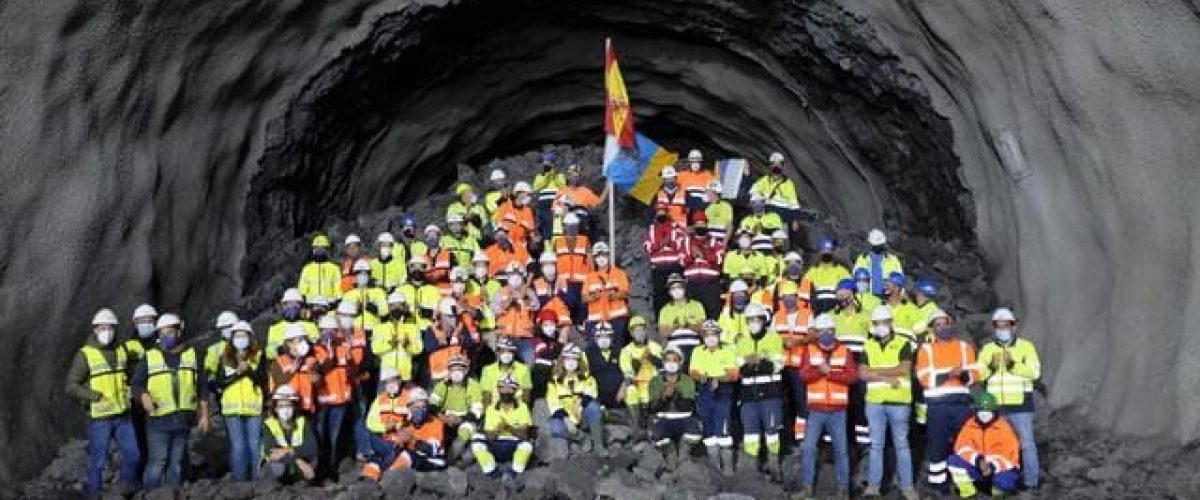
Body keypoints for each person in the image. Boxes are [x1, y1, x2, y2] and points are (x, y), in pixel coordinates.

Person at [66, 308, 141, 498]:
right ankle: (94, 494)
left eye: (109, 327)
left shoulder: (121, 351)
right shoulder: (85, 355)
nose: (106, 331)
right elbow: (71, 386)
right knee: (98, 462)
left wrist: (130, 389)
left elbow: (129, 372)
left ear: (115, 329)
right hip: (100, 418)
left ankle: (121, 489)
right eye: (102, 328)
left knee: (134, 455)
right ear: (95, 330)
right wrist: (94, 396)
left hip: (123, 415)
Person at [133, 313, 211, 489]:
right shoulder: (150, 357)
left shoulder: (193, 356)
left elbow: (202, 387)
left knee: (176, 463)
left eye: (169, 332)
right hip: (158, 420)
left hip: (183, 420)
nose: (165, 336)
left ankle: (172, 493)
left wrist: (205, 415)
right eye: (161, 333)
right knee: (157, 463)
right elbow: (136, 384)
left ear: (179, 331)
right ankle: (149, 493)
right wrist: (143, 396)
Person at [977, 307, 1042, 491]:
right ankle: (1004, 480)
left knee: (1027, 444)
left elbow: (1035, 373)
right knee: (1000, 444)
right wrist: (991, 367)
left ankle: (1031, 482)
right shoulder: (987, 349)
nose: (1003, 329)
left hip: (1021, 404)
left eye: (1006, 325)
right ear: (994, 327)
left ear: (1014, 326)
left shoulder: (1026, 347)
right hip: (997, 406)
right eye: (999, 326)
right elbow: (979, 375)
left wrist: (1013, 365)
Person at [796, 314, 857, 500]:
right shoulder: (810, 349)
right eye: (821, 331)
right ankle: (807, 488)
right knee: (808, 448)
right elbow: (803, 375)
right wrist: (819, 372)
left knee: (841, 450)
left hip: (837, 410)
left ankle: (843, 490)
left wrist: (830, 374)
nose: (825, 334)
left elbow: (852, 377)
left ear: (834, 331)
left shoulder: (844, 351)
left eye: (828, 330)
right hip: (816, 409)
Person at [860, 307, 918, 499]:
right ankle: (873, 487)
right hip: (875, 403)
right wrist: (886, 376)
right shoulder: (868, 345)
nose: (881, 326)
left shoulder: (903, 344)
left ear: (891, 322)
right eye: (877, 323)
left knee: (902, 445)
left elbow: (904, 369)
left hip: (899, 402)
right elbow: (862, 373)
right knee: (876, 446)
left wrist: (874, 372)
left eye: (884, 322)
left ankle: (907, 487)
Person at [918, 309, 979, 493]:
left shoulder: (964, 347)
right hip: (937, 407)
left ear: (951, 324)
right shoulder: (926, 350)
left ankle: (965, 484)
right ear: (932, 329)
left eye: (945, 323)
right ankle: (938, 485)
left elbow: (975, 374)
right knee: (937, 445)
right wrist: (948, 374)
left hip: (961, 404)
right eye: (938, 325)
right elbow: (924, 377)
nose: (943, 327)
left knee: (965, 444)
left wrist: (963, 374)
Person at [314, 309, 367, 478]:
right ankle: (320, 469)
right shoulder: (315, 350)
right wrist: (330, 356)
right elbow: (316, 372)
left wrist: (351, 362)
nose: (329, 333)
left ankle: (332, 469)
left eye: (333, 330)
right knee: (321, 437)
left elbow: (353, 370)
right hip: (323, 401)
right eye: (325, 330)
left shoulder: (344, 347)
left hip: (341, 400)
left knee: (335, 437)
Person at [736, 303, 785, 481]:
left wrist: (755, 362)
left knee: (772, 432)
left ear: (764, 320)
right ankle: (751, 470)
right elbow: (741, 369)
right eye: (750, 320)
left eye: (757, 319)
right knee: (750, 434)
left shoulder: (774, 339)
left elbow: (776, 366)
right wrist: (759, 362)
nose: (753, 323)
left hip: (770, 395)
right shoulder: (742, 341)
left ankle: (774, 467)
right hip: (749, 396)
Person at [214, 321, 265, 483]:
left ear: (250, 338)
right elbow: (219, 382)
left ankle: (258, 482)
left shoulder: (258, 356)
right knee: (238, 447)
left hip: (253, 409)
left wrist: (248, 370)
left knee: (255, 446)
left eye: (244, 335)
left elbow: (263, 380)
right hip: (232, 410)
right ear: (232, 338)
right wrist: (237, 373)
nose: (240, 338)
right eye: (237, 335)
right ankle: (239, 483)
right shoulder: (224, 358)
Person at [688, 320, 738, 476]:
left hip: (723, 390)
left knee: (723, 428)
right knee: (708, 429)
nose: (710, 338)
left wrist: (720, 378)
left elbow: (734, 374)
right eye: (707, 335)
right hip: (704, 390)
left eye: (714, 335)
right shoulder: (697, 351)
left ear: (718, 335)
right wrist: (701, 377)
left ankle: (728, 469)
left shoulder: (728, 351)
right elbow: (692, 371)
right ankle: (715, 467)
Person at [362, 387, 446, 479]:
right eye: (416, 407)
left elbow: (432, 450)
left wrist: (411, 440)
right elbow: (394, 440)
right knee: (379, 455)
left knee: (405, 456)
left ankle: (387, 478)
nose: (420, 411)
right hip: (411, 454)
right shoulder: (405, 423)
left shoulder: (435, 423)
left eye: (423, 407)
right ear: (409, 408)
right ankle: (368, 479)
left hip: (432, 460)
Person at [950, 392, 1022, 498]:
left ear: (994, 412)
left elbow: (1011, 457)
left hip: (1000, 468)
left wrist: (992, 466)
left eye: (987, 412)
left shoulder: (1004, 428)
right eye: (981, 411)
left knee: (1003, 482)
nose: (984, 415)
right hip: (979, 466)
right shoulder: (970, 424)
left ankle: (998, 495)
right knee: (953, 461)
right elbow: (961, 447)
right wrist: (978, 460)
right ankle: (969, 493)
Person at [545, 344, 606, 457]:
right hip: (566, 415)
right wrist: (567, 420)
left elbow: (591, 393)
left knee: (594, 407)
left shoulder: (587, 377)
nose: (571, 362)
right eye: (568, 358)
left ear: (579, 361)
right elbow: (553, 402)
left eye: (574, 359)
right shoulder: (553, 380)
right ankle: (583, 437)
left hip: (582, 413)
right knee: (555, 429)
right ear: (562, 360)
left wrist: (580, 403)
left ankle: (599, 445)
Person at [648, 345, 702, 470]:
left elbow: (689, 406)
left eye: (674, 360)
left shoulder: (687, 381)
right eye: (668, 360)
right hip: (663, 420)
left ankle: (684, 458)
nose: (671, 363)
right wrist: (663, 398)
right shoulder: (655, 381)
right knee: (663, 442)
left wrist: (676, 394)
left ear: (680, 362)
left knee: (691, 439)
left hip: (684, 420)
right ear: (663, 362)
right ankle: (669, 459)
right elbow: (652, 408)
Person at [472, 375, 535, 481]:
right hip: (496, 444)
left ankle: (515, 473)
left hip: (513, 445)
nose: (506, 391)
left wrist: (508, 427)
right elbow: (489, 437)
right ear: (499, 390)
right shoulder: (491, 408)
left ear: (514, 391)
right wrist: (498, 429)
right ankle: (492, 472)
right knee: (476, 441)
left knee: (527, 445)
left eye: (510, 388)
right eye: (503, 387)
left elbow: (524, 435)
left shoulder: (522, 407)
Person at [429, 355, 485, 465]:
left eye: (460, 369)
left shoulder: (474, 386)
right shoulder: (442, 385)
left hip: (465, 420)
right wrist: (443, 417)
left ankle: (449, 461)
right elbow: (432, 405)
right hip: (444, 418)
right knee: (433, 427)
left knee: (464, 433)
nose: (456, 373)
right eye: (453, 369)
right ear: (448, 371)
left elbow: (476, 412)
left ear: (466, 371)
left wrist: (459, 419)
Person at [261, 385, 318, 484]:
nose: (285, 409)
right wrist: (298, 461)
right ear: (275, 409)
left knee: (313, 460)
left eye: (288, 405)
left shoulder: (302, 422)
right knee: (278, 468)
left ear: (294, 407)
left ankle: (300, 483)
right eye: (281, 406)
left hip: (294, 464)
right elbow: (271, 453)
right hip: (276, 468)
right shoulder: (269, 424)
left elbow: (312, 448)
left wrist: (289, 450)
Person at [619, 316, 663, 438]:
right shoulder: (626, 351)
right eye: (635, 330)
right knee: (630, 390)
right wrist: (639, 361)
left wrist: (651, 358)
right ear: (631, 333)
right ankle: (637, 426)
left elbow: (663, 366)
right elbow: (628, 373)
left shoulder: (655, 347)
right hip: (637, 384)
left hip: (654, 383)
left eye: (642, 329)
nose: (639, 333)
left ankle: (653, 425)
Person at [583, 241, 631, 346]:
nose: (601, 258)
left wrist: (612, 296)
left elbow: (625, 292)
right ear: (595, 259)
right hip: (596, 319)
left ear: (608, 256)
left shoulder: (619, 273)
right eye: (598, 256)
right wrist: (594, 297)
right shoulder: (590, 277)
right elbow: (584, 298)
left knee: (617, 346)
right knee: (594, 348)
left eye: (603, 255)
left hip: (617, 318)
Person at [372, 291, 424, 384]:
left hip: (405, 375)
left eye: (400, 305)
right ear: (389, 307)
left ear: (404, 308)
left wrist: (407, 345)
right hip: (386, 376)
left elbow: (418, 349)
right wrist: (390, 344)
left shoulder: (413, 327)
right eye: (393, 306)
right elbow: (375, 349)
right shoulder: (379, 327)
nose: (396, 308)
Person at [268, 324, 321, 415]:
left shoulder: (311, 360)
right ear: (289, 343)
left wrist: (317, 380)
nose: (303, 343)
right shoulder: (279, 361)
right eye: (299, 340)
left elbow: (319, 384)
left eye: (304, 340)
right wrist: (291, 371)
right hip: (287, 409)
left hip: (307, 408)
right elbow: (276, 384)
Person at [424, 298, 480, 384]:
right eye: (449, 316)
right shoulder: (432, 330)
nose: (453, 319)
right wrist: (444, 341)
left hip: (459, 373)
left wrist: (460, 339)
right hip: (439, 374)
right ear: (441, 316)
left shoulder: (461, 328)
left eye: (455, 316)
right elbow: (428, 347)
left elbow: (471, 344)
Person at [644, 206, 688, 313]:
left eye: (663, 212)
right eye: (659, 212)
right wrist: (662, 243)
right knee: (659, 296)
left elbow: (681, 245)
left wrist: (669, 242)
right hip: (658, 269)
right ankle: (661, 319)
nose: (661, 214)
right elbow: (647, 247)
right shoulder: (651, 229)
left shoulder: (675, 228)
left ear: (667, 214)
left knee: (677, 293)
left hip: (673, 266)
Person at [657, 273, 706, 365]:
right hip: (674, 349)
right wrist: (675, 327)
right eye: (673, 288)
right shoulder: (665, 310)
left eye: (679, 287)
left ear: (684, 287)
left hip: (695, 348)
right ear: (669, 291)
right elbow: (662, 334)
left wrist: (688, 325)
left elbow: (703, 329)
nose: (676, 290)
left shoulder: (697, 305)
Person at [492, 269, 539, 364]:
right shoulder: (501, 292)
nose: (515, 278)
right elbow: (495, 309)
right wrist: (510, 300)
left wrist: (524, 299)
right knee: (503, 364)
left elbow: (536, 306)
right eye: (512, 275)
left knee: (531, 364)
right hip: (505, 337)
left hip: (524, 337)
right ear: (508, 277)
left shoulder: (529, 292)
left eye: (518, 276)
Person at [552, 212, 592, 323]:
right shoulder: (557, 242)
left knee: (582, 307)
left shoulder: (585, 241)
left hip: (582, 283)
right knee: (566, 306)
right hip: (564, 283)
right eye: (569, 226)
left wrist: (592, 279)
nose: (572, 229)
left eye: (574, 226)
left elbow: (590, 262)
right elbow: (554, 262)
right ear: (564, 226)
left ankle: (580, 326)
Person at [683, 213, 725, 317]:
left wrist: (703, 253)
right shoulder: (687, 242)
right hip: (692, 285)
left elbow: (720, 259)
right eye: (698, 224)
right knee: (693, 315)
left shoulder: (715, 241)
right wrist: (692, 256)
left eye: (703, 224)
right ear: (694, 226)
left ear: (707, 225)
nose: (700, 227)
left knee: (713, 314)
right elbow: (681, 261)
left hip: (711, 284)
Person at [749, 152, 801, 232]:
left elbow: (793, 203)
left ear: (782, 166)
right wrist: (761, 197)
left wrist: (795, 220)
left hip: (781, 218)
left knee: (781, 240)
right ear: (770, 166)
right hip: (766, 216)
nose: (776, 166)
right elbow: (753, 191)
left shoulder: (788, 183)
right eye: (774, 164)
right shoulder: (764, 180)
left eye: (779, 164)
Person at [585, 322, 625, 424]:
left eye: (607, 336)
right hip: (599, 397)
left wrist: (624, 386)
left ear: (612, 338)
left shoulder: (621, 351)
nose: (603, 339)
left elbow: (629, 372)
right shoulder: (587, 353)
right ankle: (604, 414)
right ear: (594, 338)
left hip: (619, 396)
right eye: (599, 336)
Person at [266, 288, 318, 360]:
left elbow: (317, 347)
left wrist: (307, 346)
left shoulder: (311, 326)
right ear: (283, 306)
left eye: (296, 304)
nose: (292, 307)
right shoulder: (274, 328)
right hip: (283, 365)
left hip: (305, 362)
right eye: (289, 303)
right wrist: (283, 349)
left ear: (301, 307)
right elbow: (269, 354)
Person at [804, 237, 852, 314]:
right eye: (824, 251)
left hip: (837, 309)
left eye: (829, 251)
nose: (826, 253)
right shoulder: (812, 271)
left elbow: (849, 292)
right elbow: (804, 292)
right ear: (820, 252)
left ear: (833, 252)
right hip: (817, 310)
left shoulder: (841, 271)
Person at [480, 338, 533, 406]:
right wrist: (489, 414)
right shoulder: (487, 370)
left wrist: (522, 412)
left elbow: (526, 397)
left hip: (517, 410)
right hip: (494, 411)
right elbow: (486, 397)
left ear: (514, 353)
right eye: (503, 350)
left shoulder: (524, 369)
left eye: (510, 351)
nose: (506, 354)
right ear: (497, 352)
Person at [853, 229, 904, 298]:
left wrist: (900, 297)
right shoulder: (862, 258)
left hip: (887, 297)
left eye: (879, 245)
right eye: (876, 245)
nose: (878, 247)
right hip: (867, 297)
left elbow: (900, 280)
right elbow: (855, 278)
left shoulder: (893, 259)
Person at [493, 181, 538, 250]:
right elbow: (497, 226)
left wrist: (534, 240)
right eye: (528, 194)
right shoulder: (505, 207)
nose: (529, 197)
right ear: (519, 193)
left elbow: (531, 231)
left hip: (521, 248)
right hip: (505, 247)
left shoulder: (528, 211)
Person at [299, 234, 343, 302]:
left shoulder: (334, 268)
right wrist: (304, 302)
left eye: (322, 248)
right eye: (316, 248)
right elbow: (302, 290)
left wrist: (337, 302)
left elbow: (338, 289)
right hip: (311, 305)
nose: (319, 251)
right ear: (313, 250)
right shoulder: (307, 269)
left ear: (326, 250)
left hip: (330, 305)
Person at [533, 151, 566, 240]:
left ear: (554, 164)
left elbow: (562, 186)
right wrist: (546, 176)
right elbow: (536, 187)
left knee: (555, 225)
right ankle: (546, 244)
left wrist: (554, 175)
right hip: (543, 205)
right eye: (545, 165)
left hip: (555, 203)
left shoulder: (560, 176)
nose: (547, 167)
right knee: (544, 226)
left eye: (549, 164)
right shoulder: (539, 176)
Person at [202, 310, 239, 382]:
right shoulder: (215, 349)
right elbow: (209, 370)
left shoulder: (247, 343)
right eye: (223, 328)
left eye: (228, 326)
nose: (226, 330)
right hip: (226, 388)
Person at [703, 181, 733, 246]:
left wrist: (724, 244)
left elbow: (729, 227)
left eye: (708, 191)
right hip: (709, 241)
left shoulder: (726, 206)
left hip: (720, 242)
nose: (706, 194)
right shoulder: (706, 207)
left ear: (715, 193)